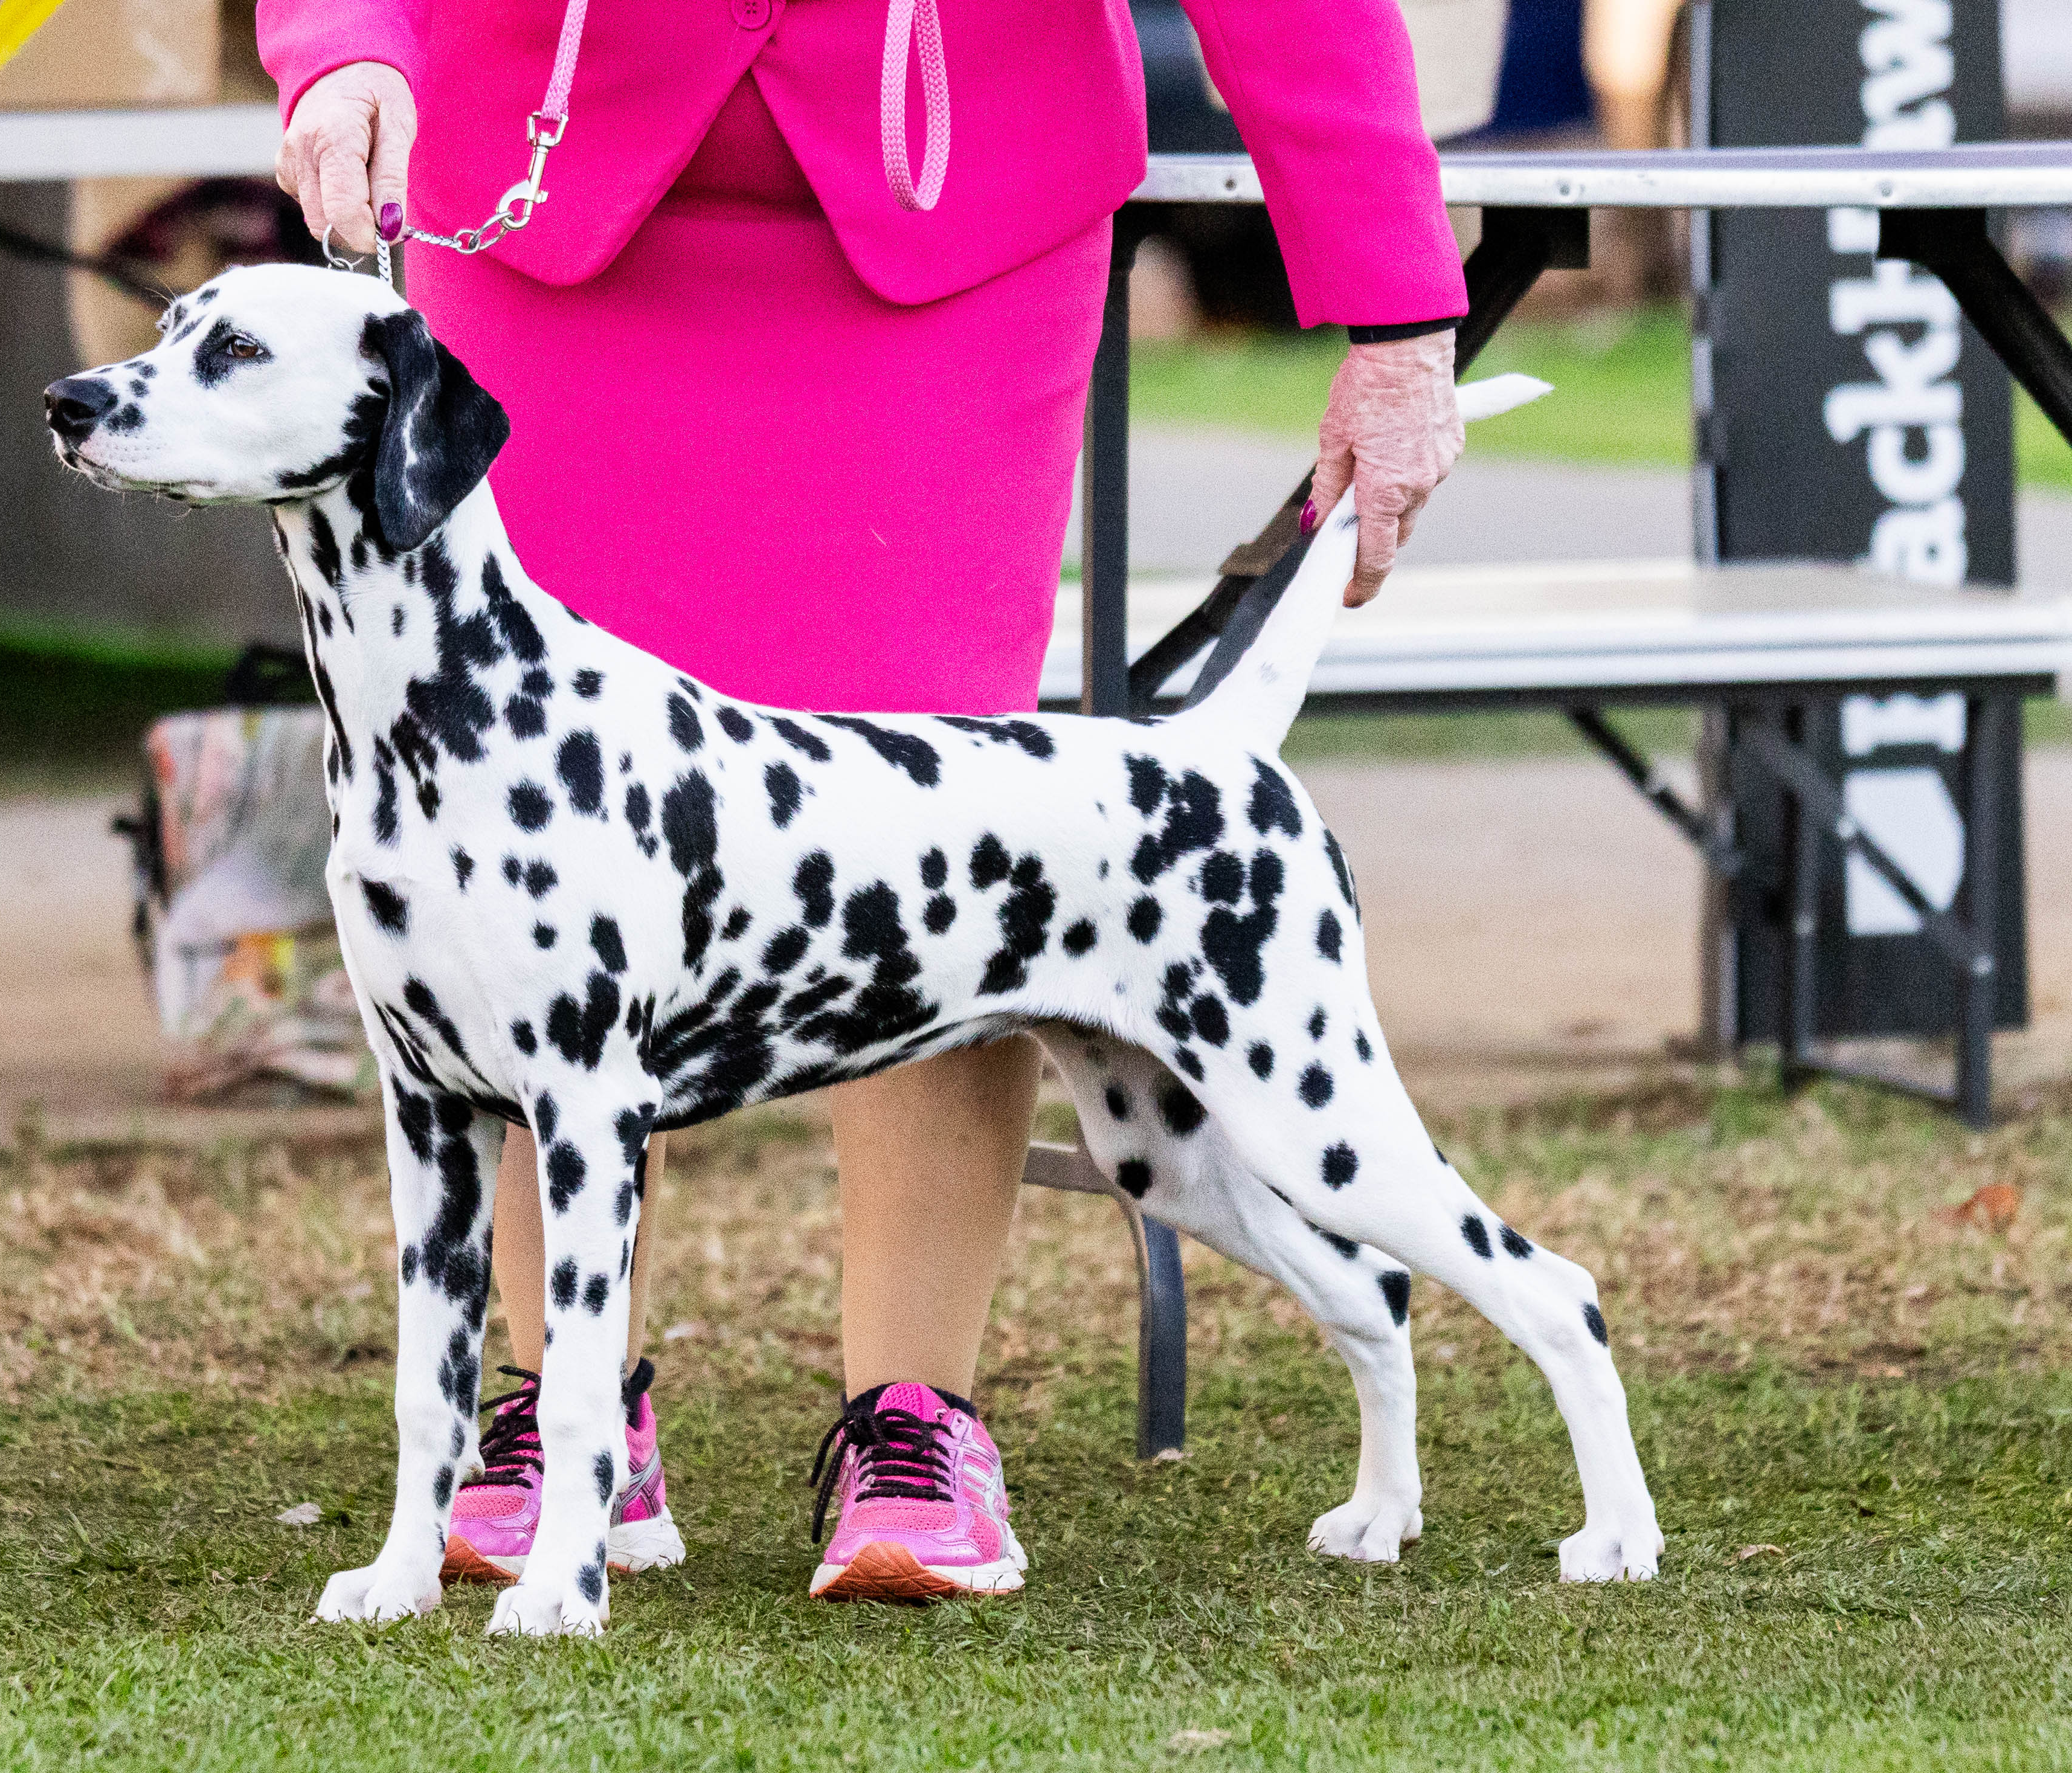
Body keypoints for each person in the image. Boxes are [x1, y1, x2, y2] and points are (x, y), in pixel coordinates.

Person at [256, 0, 1468, 1602]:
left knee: (942, 822)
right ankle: (560, 1416)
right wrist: (340, 44)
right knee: (534, 830)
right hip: (538, 197)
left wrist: (1390, 306)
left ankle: (916, 1416)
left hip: (963, 217)